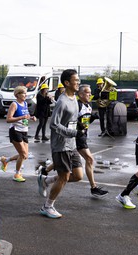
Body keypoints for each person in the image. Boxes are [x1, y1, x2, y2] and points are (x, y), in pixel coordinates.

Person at [37, 84, 108, 199]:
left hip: (81, 136)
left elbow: (84, 123)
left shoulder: (88, 105)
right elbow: (68, 123)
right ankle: (93, 187)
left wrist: (91, 119)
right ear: (80, 94)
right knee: (89, 159)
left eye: (90, 92)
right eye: (87, 92)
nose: (90, 94)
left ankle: (45, 173)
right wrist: (77, 130)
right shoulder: (76, 105)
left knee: (68, 162)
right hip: (75, 137)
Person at [37, 69, 84, 219]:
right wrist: (74, 132)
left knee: (78, 176)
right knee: (64, 177)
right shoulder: (62, 101)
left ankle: (46, 180)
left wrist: (79, 126)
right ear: (67, 83)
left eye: (78, 80)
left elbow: (70, 121)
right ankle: (47, 206)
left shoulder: (74, 98)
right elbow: (54, 124)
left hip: (71, 144)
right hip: (61, 145)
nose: (78, 82)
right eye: (75, 80)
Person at [0, 86, 36, 182]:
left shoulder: (24, 103)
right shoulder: (14, 104)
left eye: (25, 93)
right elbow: (8, 119)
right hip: (15, 131)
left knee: (25, 155)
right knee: (23, 154)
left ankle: (6, 160)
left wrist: (31, 117)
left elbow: (25, 116)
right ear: (17, 95)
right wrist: (21, 117)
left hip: (24, 130)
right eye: (23, 93)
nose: (25, 95)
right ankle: (17, 174)